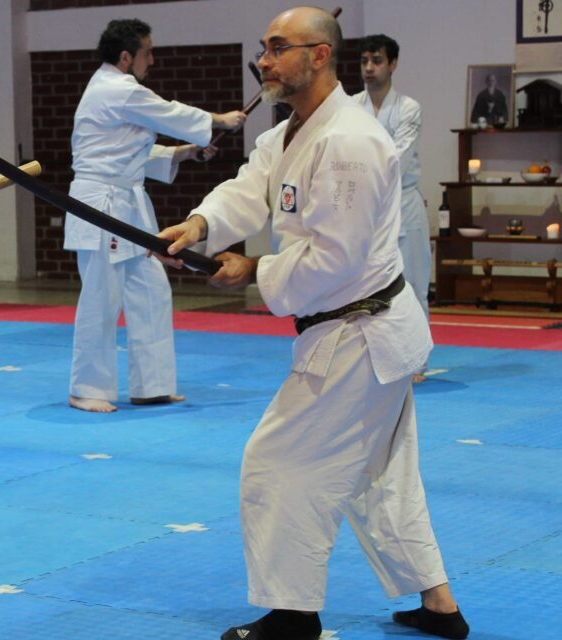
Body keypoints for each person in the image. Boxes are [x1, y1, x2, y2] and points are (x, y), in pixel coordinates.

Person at [157, 8, 468, 640]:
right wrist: (201, 225)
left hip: (360, 334)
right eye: (262, 50)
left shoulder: (350, 141)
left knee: (274, 462)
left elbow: (337, 257)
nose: (264, 62)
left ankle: (293, 617)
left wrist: (254, 270)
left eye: (277, 49)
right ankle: (441, 607)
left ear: (320, 55)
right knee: (381, 477)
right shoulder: (290, 132)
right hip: (363, 331)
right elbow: (250, 187)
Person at [65, 18, 245, 413]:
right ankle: (86, 388)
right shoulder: (116, 88)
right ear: (126, 57)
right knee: (101, 297)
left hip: (126, 203)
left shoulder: (118, 92)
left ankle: (151, 385)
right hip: (101, 206)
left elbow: (128, 154)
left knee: (150, 290)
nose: (153, 59)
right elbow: (169, 113)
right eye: (147, 51)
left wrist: (184, 152)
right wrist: (218, 120)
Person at [353, 34, 431, 383]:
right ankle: (377, 356)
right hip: (367, 205)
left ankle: (416, 360)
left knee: (413, 282)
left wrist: (360, 169)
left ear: (393, 64)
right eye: (365, 61)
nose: (369, 68)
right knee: (368, 284)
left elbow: (396, 155)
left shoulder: (409, 108)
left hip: (403, 201)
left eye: (377, 61)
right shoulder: (351, 107)